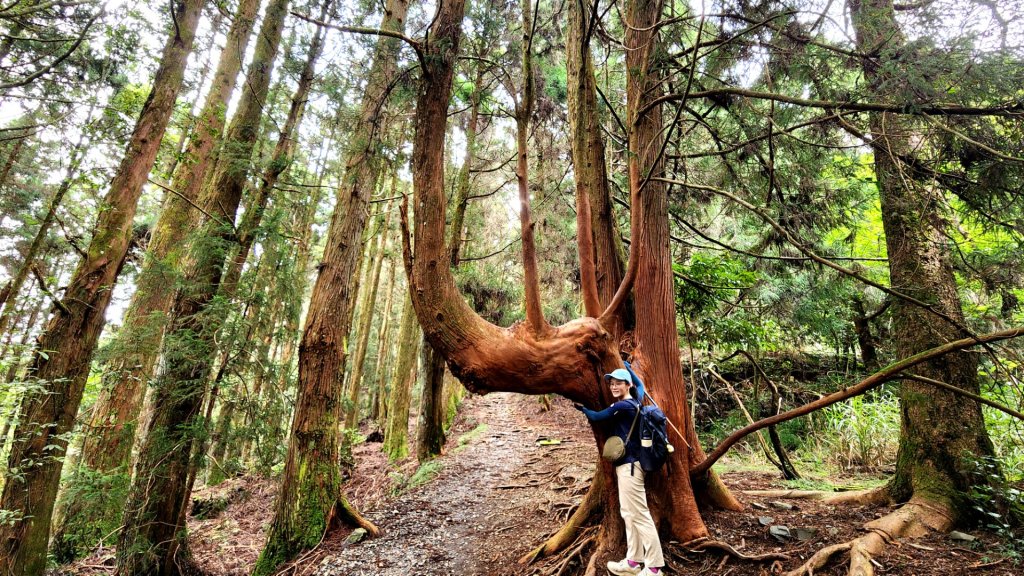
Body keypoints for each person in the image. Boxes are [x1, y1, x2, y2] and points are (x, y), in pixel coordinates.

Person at [576, 367, 664, 576]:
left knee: (640, 514)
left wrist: (583, 409)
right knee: (628, 513)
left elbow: (597, 417)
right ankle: (634, 562)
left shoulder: (623, 405)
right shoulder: (637, 399)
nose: (614, 386)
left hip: (631, 467)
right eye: (612, 383)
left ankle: (654, 567)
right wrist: (629, 369)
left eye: (619, 383)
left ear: (627, 386)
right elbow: (641, 386)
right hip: (628, 466)